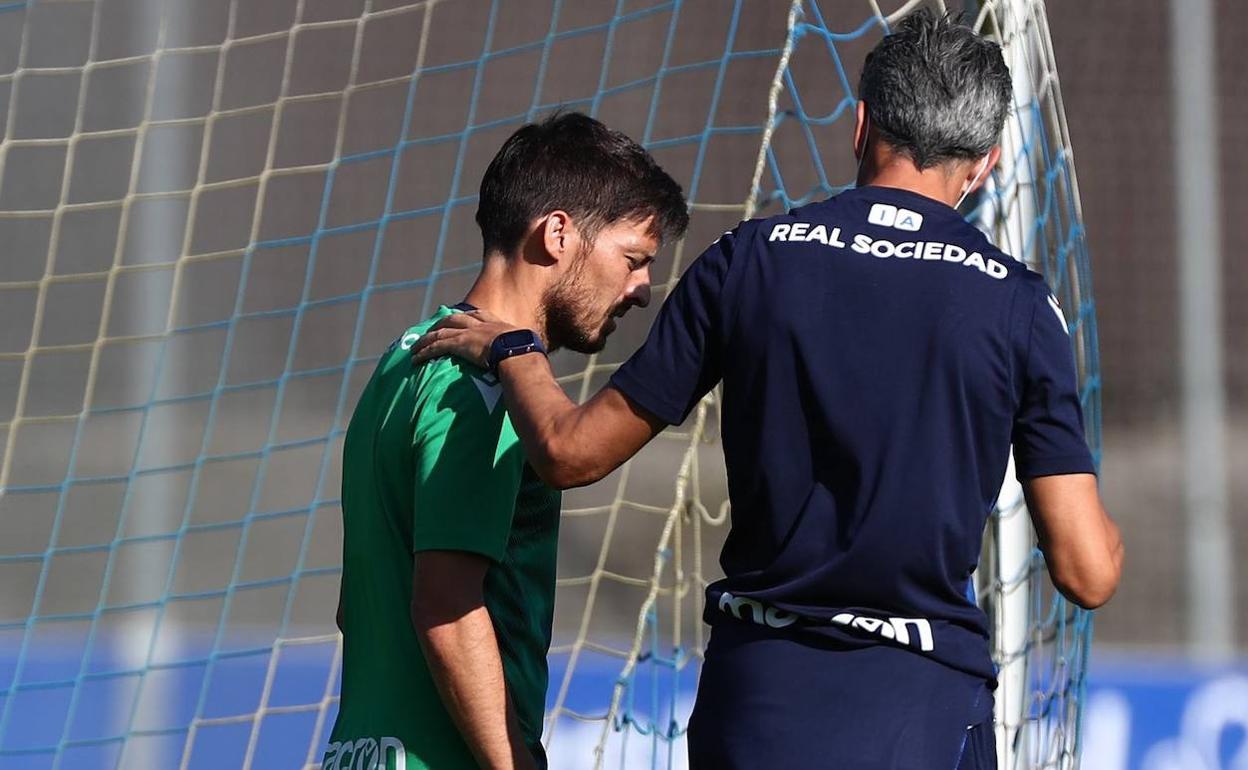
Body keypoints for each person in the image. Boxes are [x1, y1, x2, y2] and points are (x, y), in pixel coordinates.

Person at [411, 10, 1124, 770]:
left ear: (861, 126)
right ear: (985, 162)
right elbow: (1086, 571)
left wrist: (515, 348)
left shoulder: (747, 260)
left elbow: (568, 453)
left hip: (756, 704)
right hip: (919, 708)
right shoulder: (1018, 305)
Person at [322, 111, 688, 770]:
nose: (641, 290)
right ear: (557, 234)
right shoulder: (488, 388)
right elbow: (446, 602)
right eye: (633, 260)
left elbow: (358, 605)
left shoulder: (401, 361)